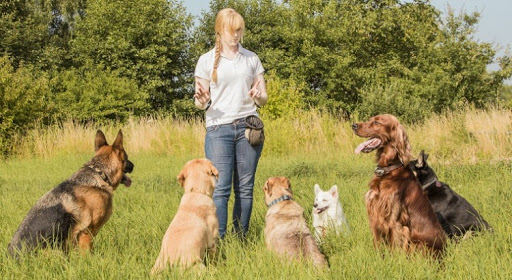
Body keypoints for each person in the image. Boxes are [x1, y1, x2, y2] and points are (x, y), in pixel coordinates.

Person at [193, 8, 267, 239]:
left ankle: (241, 240)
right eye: (231, 30)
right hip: (218, 129)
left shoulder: (251, 58)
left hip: (248, 128)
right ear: (219, 30)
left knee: (245, 190)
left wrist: (258, 95)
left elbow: (263, 98)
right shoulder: (205, 61)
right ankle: (219, 242)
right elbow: (199, 102)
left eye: (239, 30)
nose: (236, 35)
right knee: (220, 190)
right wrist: (202, 100)